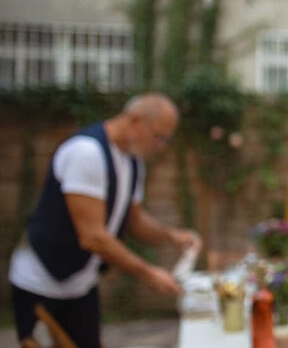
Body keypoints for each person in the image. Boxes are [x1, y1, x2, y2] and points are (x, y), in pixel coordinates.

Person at [8, 93, 200, 348]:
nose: (161, 146)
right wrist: (148, 273)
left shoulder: (133, 162)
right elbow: (92, 236)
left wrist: (170, 235)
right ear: (135, 120)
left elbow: (135, 220)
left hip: (81, 284)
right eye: (159, 136)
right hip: (41, 281)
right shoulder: (86, 153)